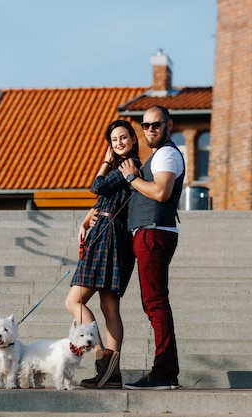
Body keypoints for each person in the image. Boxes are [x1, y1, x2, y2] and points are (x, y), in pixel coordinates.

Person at [65, 119, 141, 389]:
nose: (119, 143)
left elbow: (96, 186)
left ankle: (102, 358)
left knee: (73, 301)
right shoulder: (124, 168)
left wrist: (106, 162)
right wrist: (86, 221)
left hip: (109, 238)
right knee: (109, 307)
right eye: (114, 140)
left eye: (123, 137)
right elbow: (102, 199)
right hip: (107, 234)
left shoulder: (127, 166)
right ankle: (112, 373)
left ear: (133, 138)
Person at [118, 105, 184, 390]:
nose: (150, 130)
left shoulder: (167, 154)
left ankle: (164, 374)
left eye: (155, 125)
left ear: (169, 125)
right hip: (149, 234)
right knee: (154, 304)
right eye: (145, 126)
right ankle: (166, 371)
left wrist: (133, 178)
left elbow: (161, 192)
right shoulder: (158, 155)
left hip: (154, 235)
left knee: (156, 304)